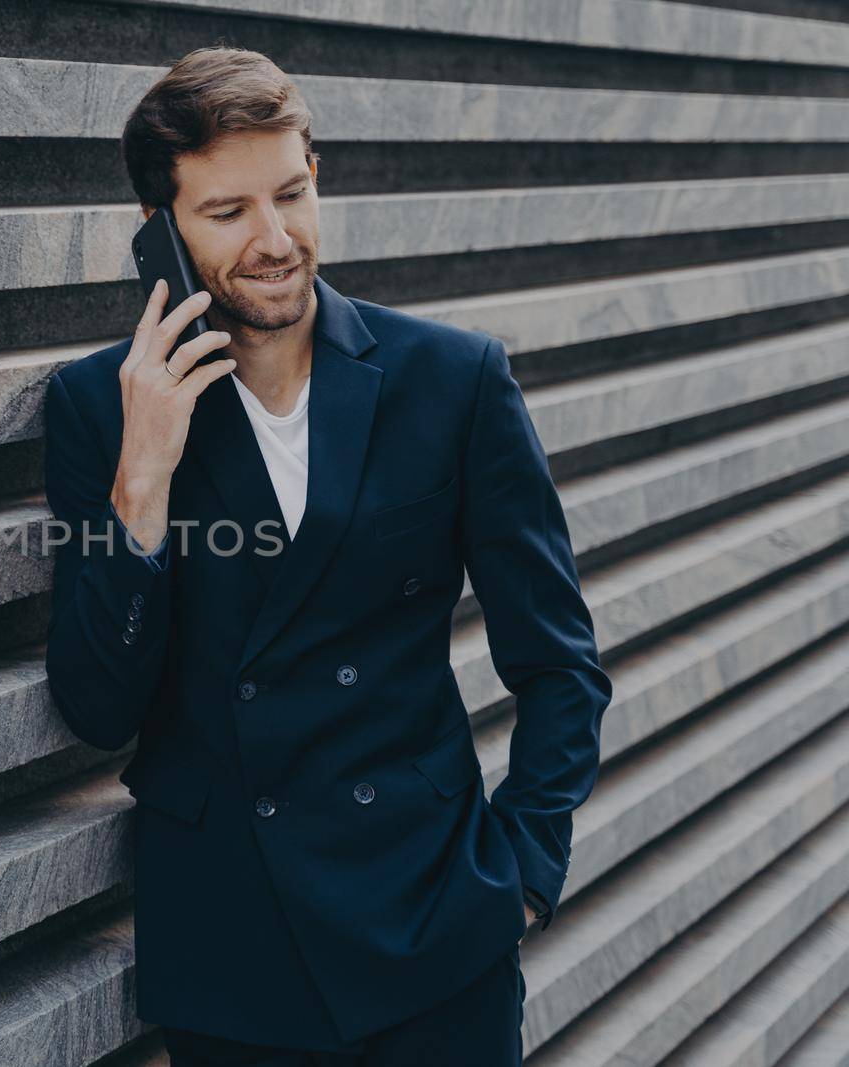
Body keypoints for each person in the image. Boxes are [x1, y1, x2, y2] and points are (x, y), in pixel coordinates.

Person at [41, 46, 611, 1066]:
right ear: (156, 233)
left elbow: (560, 663)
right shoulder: (101, 408)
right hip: (232, 950)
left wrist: (521, 873)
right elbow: (97, 706)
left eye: (291, 194)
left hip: (436, 924)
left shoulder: (451, 377)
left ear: (317, 179)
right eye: (226, 212)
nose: (274, 240)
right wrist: (143, 481)